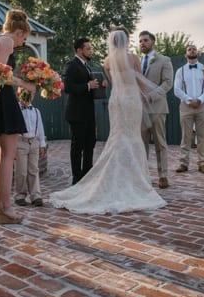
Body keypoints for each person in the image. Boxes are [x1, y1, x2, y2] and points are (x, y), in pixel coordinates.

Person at [50, 29, 166, 214]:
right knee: (133, 136)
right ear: (126, 41)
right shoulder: (133, 58)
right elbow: (138, 81)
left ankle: (112, 176)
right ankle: (135, 179)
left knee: (118, 136)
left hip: (117, 100)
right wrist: (153, 93)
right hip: (131, 99)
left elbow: (112, 82)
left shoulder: (107, 60)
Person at [0, 9, 37, 224]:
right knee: (8, 155)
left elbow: (0, 75)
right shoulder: (6, 41)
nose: (23, 42)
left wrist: (17, 87)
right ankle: (5, 207)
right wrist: (25, 84)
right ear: (18, 31)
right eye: (24, 37)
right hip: (3, 102)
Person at [138, 31, 173, 188]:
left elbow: (167, 83)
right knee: (141, 144)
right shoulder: (137, 62)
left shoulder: (164, 60)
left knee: (160, 142)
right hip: (140, 109)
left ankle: (163, 175)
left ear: (153, 42)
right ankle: (143, 176)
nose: (142, 43)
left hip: (157, 107)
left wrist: (152, 95)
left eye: (145, 40)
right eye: (140, 41)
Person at [63, 38, 100, 185]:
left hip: (88, 113)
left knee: (90, 144)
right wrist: (88, 86)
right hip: (76, 113)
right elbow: (68, 87)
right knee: (77, 146)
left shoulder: (87, 66)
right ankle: (77, 178)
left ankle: (87, 175)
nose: (91, 51)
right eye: (88, 48)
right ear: (79, 50)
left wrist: (98, 85)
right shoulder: (71, 65)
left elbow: (89, 86)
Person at [173, 44, 204, 174]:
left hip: (202, 105)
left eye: (194, 49)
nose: (192, 50)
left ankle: (202, 163)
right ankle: (184, 163)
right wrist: (189, 100)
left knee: (202, 136)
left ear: (197, 52)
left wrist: (200, 100)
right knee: (186, 136)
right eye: (189, 49)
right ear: (185, 54)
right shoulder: (180, 71)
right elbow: (177, 89)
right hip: (186, 106)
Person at [14, 93, 47, 207]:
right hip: (21, 142)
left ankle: (36, 195)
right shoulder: (16, 110)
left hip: (34, 143)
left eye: (31, 94)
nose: (28, 96)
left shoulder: (36, 111)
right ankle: (20, 195)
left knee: (34, 170)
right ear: (18, 94)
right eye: (24, 93)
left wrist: (42, 144)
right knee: (21, 171)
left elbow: (40, 129)